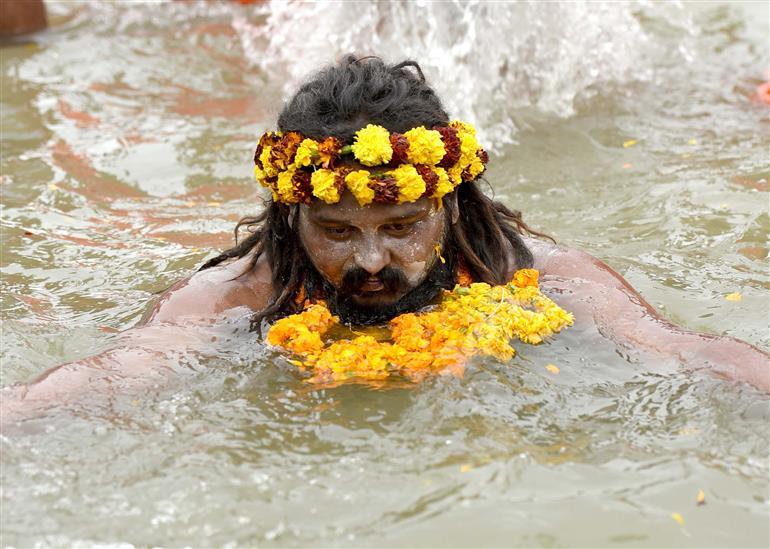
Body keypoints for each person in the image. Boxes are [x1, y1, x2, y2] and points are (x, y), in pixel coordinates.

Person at [2, 56, 767, 420]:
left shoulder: (533, 274)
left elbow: (688, 354)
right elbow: (110, 375)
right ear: (290, 218)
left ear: (452, 203)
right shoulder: (237, 294)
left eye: (402, 226)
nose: (370, 260)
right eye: (337, 231)